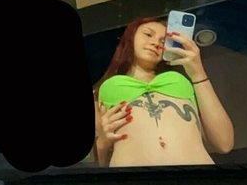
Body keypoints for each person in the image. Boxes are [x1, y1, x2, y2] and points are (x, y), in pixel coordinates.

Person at [93, 16, 234, 167]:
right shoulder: (101, 91)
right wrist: (102, 143)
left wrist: (198, 73)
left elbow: (224, 143)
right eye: (148, 34)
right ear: (130, 37)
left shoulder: (180, 81)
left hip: (195, 176)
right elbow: (99, 165)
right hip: (132, 179)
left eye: (163, 41)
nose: (155, 43)